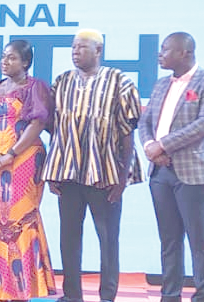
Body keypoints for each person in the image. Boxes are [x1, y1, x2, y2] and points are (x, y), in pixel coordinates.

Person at [42, 29, 143, 302]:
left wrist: (123, 179)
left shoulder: (119, 81)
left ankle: (107, 295)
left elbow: (127, 132)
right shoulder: (61, 82)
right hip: (69, 174)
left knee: (107, 240)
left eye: (82, 48)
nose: (76, 52)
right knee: (69, 238)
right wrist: (56, 167)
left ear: (98, 51)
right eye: (74, 47)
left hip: (105, 175)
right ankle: (71, 294)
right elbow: (53, 127)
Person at [138, 32, 204, 302]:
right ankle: (170, 295)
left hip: (196, 172)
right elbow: (145, 122)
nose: (159, 54)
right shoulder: (161, 84)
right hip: (161, 172)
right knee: (169, 239)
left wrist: (162, 145)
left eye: (165, 49)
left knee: (199, 239)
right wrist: (151, 146)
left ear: (184, 52)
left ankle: (202, 296)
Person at [0, 40, 56, 301]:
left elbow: (37, 124)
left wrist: (11, 154)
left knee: (19, 219)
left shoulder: (35, 87)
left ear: (25, 62)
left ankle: (23, 288)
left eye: (11, 58)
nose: (5, 62)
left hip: (25, 159)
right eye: (3, 57)